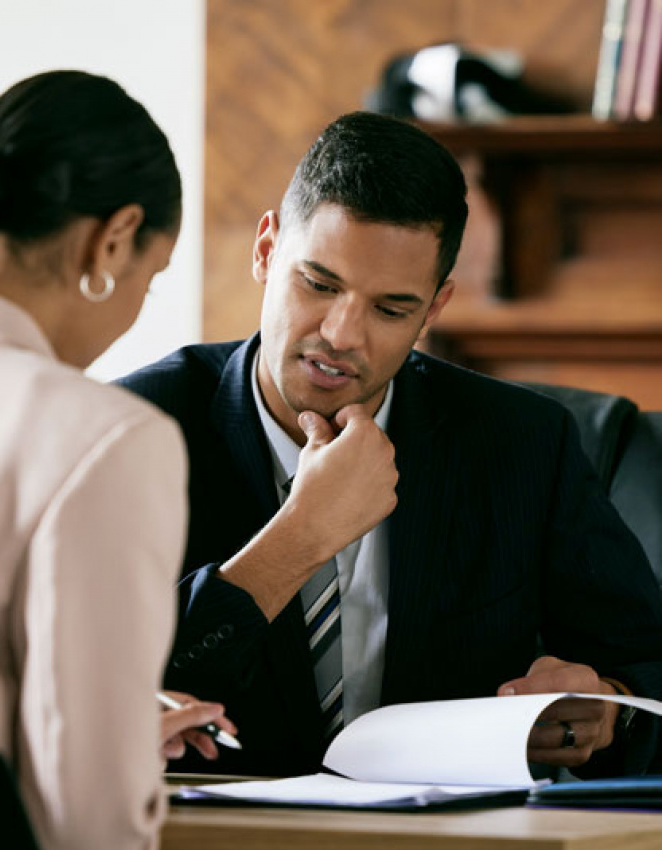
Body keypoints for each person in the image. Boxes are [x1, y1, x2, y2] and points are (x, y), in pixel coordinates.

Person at [120, 111, 662, 780]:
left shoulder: (525, 444)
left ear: (434, 309)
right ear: (265, 250)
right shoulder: (132, 429)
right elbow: (100, 690)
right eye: (318, 284)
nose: (343, 333)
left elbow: (647, 665)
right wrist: (299, 537)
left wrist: (605, 705)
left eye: (391, 308)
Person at [0, 70, 237, 850]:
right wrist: (112, 754)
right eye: (148, 282)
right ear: (111, 240)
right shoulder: (101, 435)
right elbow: (88, 825)